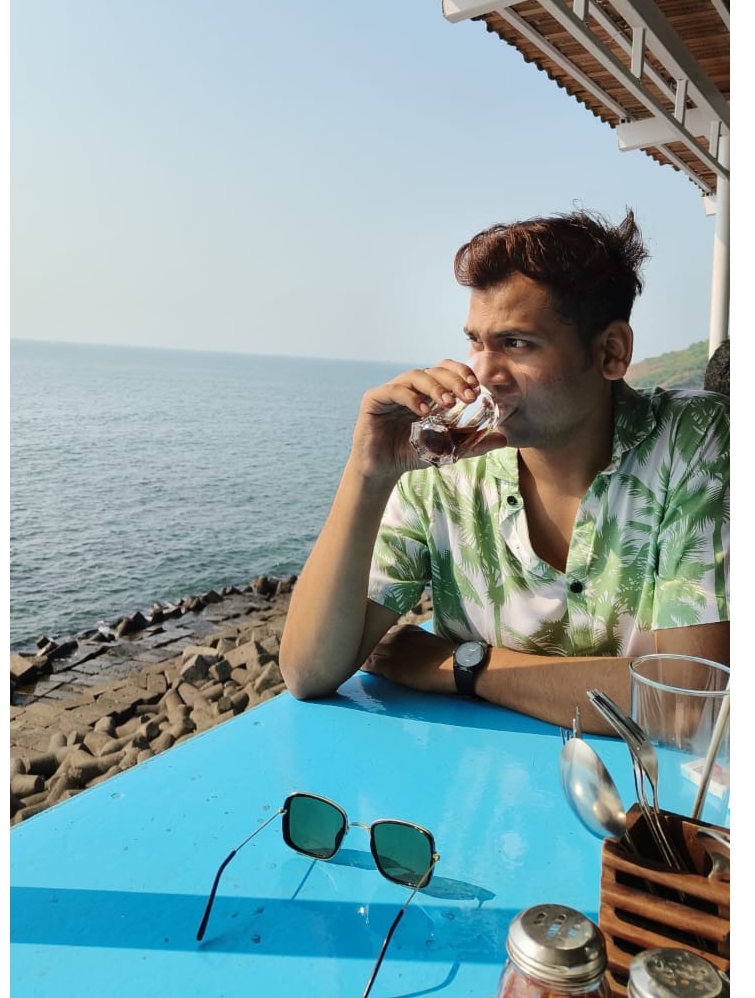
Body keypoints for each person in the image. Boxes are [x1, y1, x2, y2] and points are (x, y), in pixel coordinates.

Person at [279, 209, 729, 732]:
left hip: (638, 780)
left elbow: (688, 699)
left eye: (516, 344)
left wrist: (464, 667)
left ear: (612, 352)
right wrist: (368, 472)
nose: (484, 374)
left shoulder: (691, 438)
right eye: (476, 341)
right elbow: (308, 672)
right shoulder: (443, 466)